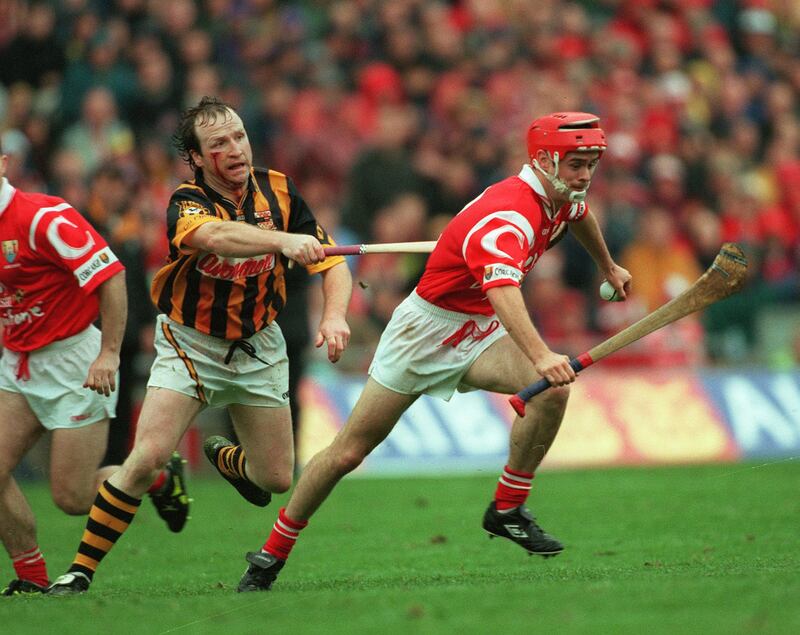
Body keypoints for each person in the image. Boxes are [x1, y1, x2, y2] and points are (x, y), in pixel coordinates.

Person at [236, 112, 633, 592]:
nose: (585, 175)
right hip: (424, 332)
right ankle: (271, 554)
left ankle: (506, 508)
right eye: (576, 164)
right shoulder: (511, 215)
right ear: (545, 160)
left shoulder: (560, 194)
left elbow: (580, 213)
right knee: (347, 453)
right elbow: (504, 291)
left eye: (591, 163)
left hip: (479, 328)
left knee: (550, 393)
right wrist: (543, 354)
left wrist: (609, 266)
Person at [46, 96, 352, 595]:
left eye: (239, 137)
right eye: (218, 144)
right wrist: (281, 243)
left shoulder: (280, 189)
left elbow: (332, 262)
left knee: (275, 477)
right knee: (145, 457)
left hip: (258, 344)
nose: (234, 149)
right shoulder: (185, 202)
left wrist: (335, 315)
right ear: (197, 157)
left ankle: (226, 459)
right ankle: (79, 571)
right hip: (189, 344)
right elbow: (216, 237)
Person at [0, 142, 182, 596]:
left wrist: (109, 353)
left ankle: (157, 477)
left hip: (74, 363)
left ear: (3, 165)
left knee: (72, 497)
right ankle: (32, 577)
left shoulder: (44, 216)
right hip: (18, 364)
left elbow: (112, 276)